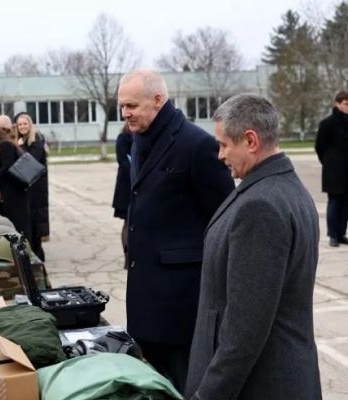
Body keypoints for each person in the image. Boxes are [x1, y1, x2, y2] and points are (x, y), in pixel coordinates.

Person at [186, 94, 321, 400]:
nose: (220, 155)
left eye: (224, 145)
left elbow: (244, 329)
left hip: (263, 384)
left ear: (250, 141)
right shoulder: (287, 189)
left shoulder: (260, 207)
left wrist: (208, 395)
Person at [118, 69, 234, 391]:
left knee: (186, 387)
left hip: (182, 304)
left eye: (131, 105)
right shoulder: (138, 139)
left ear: (158, 100)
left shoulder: (197, 145)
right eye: (122, 106)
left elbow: (225, 217)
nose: (125, 113)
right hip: (145, 296)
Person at [0, 126, 32, 240]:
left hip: (15, 194)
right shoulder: (5, 146)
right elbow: (5, 177)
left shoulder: (5, 145)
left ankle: (23, 248)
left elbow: (7, 167)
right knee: (17, 225)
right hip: (13, 192)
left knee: (19, 225)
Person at [314, 90, 348, 247]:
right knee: (334, 202)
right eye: (346, 104)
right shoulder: (327, 123)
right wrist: (328, 163)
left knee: (346, 204)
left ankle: (341, 233)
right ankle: (332, 235)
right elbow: (319, 146)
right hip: (334, 170)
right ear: (337, 104)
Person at [15, 113, 49, 261]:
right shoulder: (21, 141)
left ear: (30, 125)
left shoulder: (37, 141)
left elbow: (30, 162)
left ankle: (38, 258)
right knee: (29, 224)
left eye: (25, 124)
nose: (22, 126)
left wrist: (20, 148)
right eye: (20, 124)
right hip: (27, 188)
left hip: (36, 189)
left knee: (36, 225)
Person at [112, 124, 133, 269]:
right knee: (128, 222)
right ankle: (127, 258)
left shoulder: (143, 136)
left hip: (141, 186)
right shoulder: (123, 138)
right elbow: (122, 161)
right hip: (126, 186)